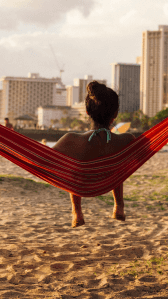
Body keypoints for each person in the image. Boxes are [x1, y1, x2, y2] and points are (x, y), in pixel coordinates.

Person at [53, 81, 135, 228]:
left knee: (72, 164)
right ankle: (119, 206)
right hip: (109, 179)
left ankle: (77, 211)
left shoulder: (71, 140)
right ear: (115, 114)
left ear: (87, 112)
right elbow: (144, 151)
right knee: (117, 162)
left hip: (81, 185)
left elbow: (45, 158)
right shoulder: (127, 140)